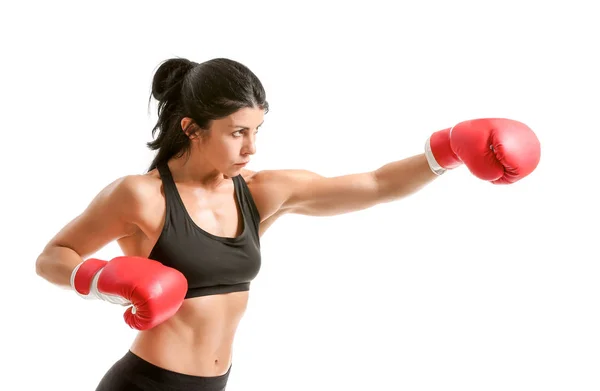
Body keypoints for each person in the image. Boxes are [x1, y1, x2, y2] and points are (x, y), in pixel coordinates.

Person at [35, 56, 541, 391]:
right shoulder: (141, 196)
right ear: (191, 127)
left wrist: (448, 150)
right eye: (237, 133)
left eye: (257, 131)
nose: (251, 148)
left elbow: (374, 184)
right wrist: (104, 280)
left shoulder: (260, 191)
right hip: (145, 384)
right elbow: (53, 257)